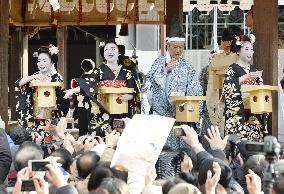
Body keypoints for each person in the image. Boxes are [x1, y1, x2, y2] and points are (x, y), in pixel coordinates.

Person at [147, 16, 202, 151]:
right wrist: (165, 69)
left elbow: (195, 87)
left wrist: (189, 104)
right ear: (168, 46)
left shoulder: (187, 66)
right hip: (163, 115)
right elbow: (150, 80)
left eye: (181, 47)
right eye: (175, 47)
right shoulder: (159, 62)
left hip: (182, 114)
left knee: (183, 152)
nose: (178, 50)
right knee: (163, 150)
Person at [65, 40, 141, 136]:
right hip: (104, 111)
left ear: (119, 52)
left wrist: (130, 97)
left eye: (113, 49)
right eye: (106, 49)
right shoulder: (100, 70)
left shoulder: (127, 71)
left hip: (123, 110)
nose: (110, 51)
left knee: (121, 135)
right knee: (100, 135)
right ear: (103, 54)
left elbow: (135, 87)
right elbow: (89, 84)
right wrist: (72, 90)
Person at [15, 45, 69, 139]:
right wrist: (33, 77)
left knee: (49, 144)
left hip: (49, 118)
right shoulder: (35, 75)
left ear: (52, 62)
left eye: (44, 61)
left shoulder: (57, 78)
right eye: (39, 61)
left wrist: (54, 107)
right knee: (33, 142)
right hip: (33, 117)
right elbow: (18, 84)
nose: (41, 64)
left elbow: (63, 100)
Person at [223, 34, 268, 141]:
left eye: (251, 49)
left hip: (253, 114)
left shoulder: (254, 70)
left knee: (255, 147)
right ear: (238, 51)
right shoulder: (232, 69)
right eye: (246, 49)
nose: (250, 52)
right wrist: (245, 77)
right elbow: (227, 87)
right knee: (239, 145)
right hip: (238, 116)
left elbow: (261, 91)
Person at [206, 28, 239, 137]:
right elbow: (212, 80)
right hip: (218, 93)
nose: (226, 45)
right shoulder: (216, 57)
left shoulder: (238, 56)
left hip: (234, 95)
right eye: (224, 42)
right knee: (219, 122)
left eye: (229, 42)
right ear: (221, 43)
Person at [67, 59, 97, 136]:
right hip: (93, 107)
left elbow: (75, 97)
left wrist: (74, 111)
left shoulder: (76, 81)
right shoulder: (96, 80)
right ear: (93, 67)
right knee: (93, 130)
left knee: (83, 130)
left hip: (81, 107)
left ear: (82, 67)